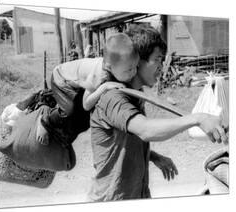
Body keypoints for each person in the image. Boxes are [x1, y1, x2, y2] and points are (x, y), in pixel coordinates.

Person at [87, 26, 228, 201]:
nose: (162, 67)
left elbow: (126, 139)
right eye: (157, 59)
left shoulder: (136, 95)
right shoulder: (113, 97)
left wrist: (152, 156)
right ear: (137, 60)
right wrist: (198, 118)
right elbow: (145, 130)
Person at [36, 33, 140, 145]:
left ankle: (64, 134)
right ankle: (46, 120)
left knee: (84, 119)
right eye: (129, 70)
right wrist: (104, 87)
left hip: (80, 82)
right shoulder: (98, 76)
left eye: (136, 67)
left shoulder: (115, 67)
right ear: (109, 67)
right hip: (60, 78)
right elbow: (86, 104)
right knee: (70, 110)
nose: (134, 73)